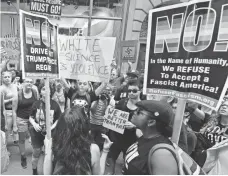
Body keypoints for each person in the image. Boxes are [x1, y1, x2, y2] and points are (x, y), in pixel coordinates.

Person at [43, 107, 113, 175]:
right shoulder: (93, 149)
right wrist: (105, 150)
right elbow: (98, 174)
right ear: (84, 127)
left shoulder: (55, 145)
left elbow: (46, 173)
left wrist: (47, 149)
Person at [123, 100, 178, 175]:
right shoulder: (145, 136)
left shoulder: (162, 154)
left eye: (139, 112)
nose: (134, 112)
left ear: (151, 122)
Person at [108, 79, 141, 174]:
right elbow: (112, 116)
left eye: (134, 91)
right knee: (111, 160)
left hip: (131, 142)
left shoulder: (143, 107)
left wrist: (134, 126)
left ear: (140, 91)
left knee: (128, 167)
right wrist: (110, 109)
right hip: (116, 138)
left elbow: (145, 128)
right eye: (129, 91)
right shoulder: (122, 102)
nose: (131, 93)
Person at [29, 84, 61, 175]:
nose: (46, 91)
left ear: (51, 91)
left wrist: (51, 128)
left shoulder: (55, 104)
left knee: (50, 152)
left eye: (48, 89)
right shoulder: (36, 103)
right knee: (36, 153)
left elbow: (59, 119)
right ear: (40, 91)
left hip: (51, 134)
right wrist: (34, 124)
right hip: (37, 133)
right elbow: (30, 117)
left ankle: (50, 171)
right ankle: (34, 170)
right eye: (43, 89)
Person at [193, 100, 228, 166]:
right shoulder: (210, 119)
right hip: (200, 154)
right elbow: (193, 108)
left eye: (227, 106)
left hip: (219, 160)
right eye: (223, 105)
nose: (224, 107)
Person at [16, 78, 38, 169]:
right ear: (23, 83)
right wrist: (14, 124)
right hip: (21, 119)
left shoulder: (34, 92)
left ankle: (36, 156)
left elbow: (37, 104)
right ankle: (23, 157)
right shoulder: (19, 94)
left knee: (34, 137)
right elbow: (14, 109)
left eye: (31, 82)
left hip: (32, 119)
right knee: (22, 139)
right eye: (27, 81)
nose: (29, 83)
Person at [1, 71, 18, 144]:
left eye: (9, 77)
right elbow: (1, 104)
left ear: (11, 78)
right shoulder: (1, 89)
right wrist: (10, 100)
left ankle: (16, 141)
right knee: (6, 131)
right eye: (5, 77)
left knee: (16, 129)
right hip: (7, 112)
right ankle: (5, 150)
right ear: (2, 78)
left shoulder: (14, 86)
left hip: (16, 111)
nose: (7, 78)